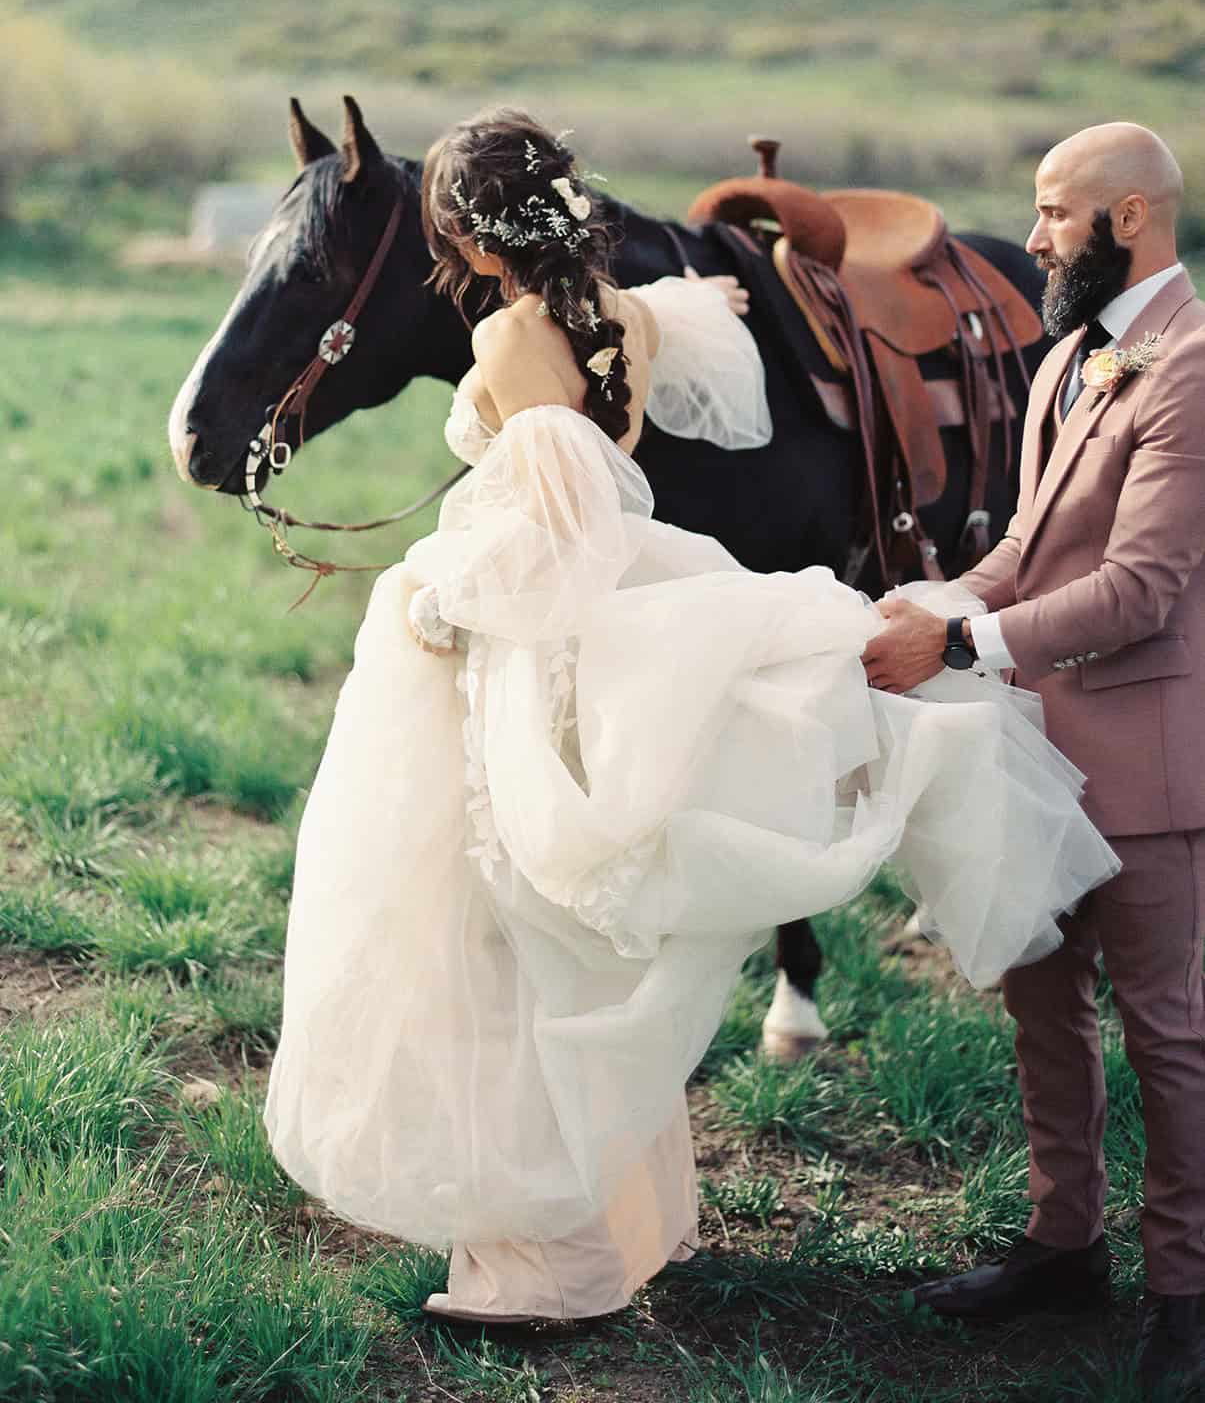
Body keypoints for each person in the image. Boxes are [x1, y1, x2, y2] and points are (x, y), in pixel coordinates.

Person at [262, 108, 1118, 1326]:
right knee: (575, 940)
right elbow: (607, 485)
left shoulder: (507, 337)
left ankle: (547, 1266)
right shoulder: (624, 316)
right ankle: (621, 1222)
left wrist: (433, 597)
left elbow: (553, 537)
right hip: (619, 616)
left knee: (518, 940)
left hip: (543, 648)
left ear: (465, 231)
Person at [863, 123, 1205, 1400]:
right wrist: (924, 605)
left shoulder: (1190, 364)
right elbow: (1023, 547)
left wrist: (960, 641)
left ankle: (1186, 1291)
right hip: (1034, 747)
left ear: (1127, 215)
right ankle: (1064, 1248)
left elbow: (1138, 589)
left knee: (1166, 1032)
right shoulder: (1072, 352)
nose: (1036, 230)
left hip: (1150, 752)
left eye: (1055, 212)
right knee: (1037, 999)